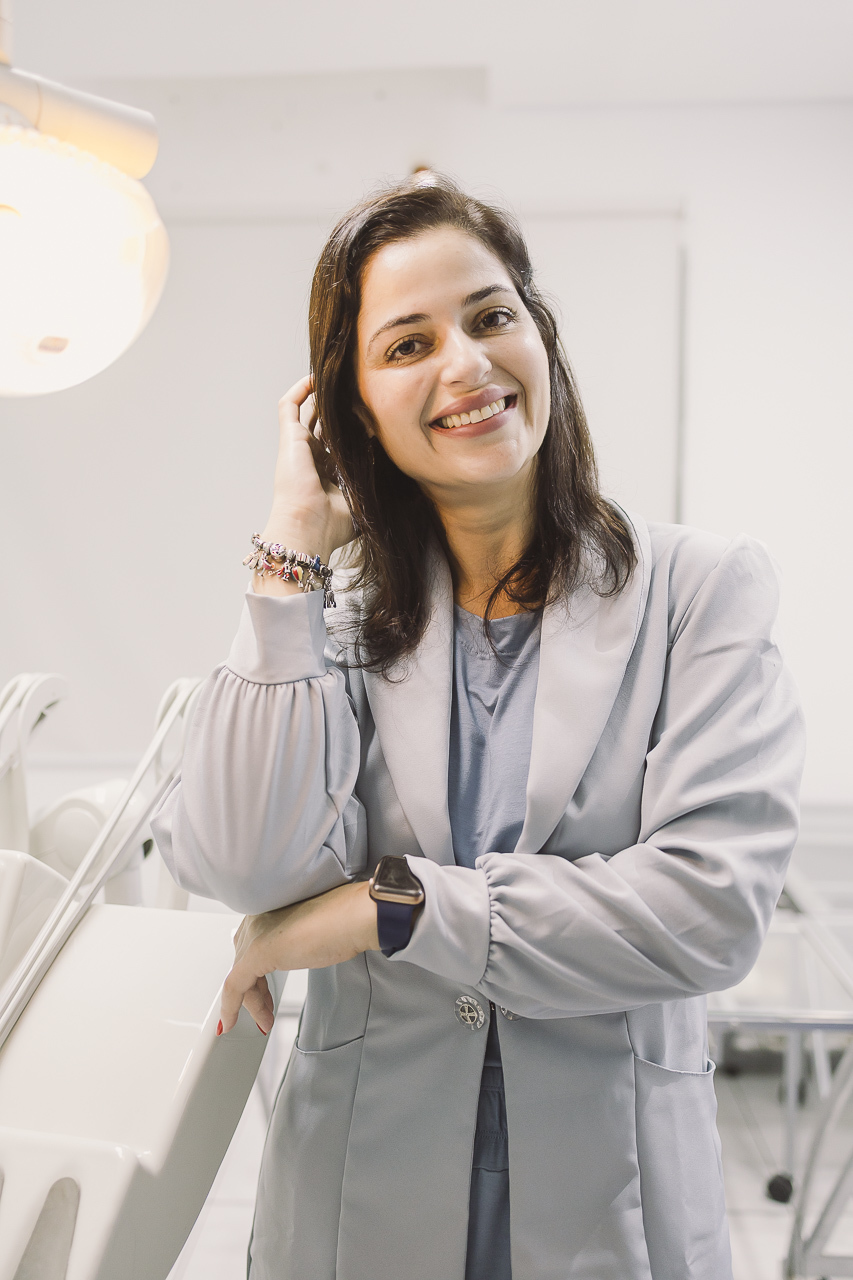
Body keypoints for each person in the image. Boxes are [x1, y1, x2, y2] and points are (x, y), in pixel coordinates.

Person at [151, 172, 805, 1280]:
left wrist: (392, 907)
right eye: (407, 344)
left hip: (617, 1197)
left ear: (539, 338)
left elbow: (707, 911)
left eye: (491, 316)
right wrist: (291, 538)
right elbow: (246, 863)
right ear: (350, 410)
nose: (464, 364)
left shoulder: (700, 592)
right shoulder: (330, 616)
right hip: (360, 1200)